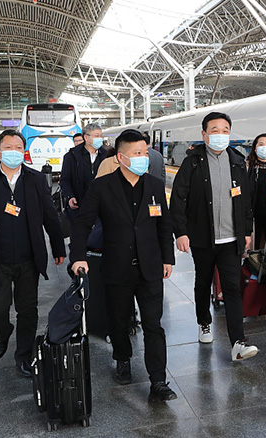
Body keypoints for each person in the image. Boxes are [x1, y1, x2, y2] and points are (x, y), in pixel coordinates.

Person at [69, 129, 177, 402]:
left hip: (150, 267)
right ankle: (123, 358)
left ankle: (158, 380)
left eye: (145, 153)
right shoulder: (102, 187)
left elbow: (164, 225)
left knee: (153, 324)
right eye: (137, 153)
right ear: (121, 157)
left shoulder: (154, 185)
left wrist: (168, 258)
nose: (143, 158)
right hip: (117, 266)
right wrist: (78, 256)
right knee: (118, 321)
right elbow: (82, 224)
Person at [0, 129, 66, 377]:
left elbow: (50, 216)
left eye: (18, 148)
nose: (13, 152)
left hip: (28, 259)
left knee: (28, 310)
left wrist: (58, 246)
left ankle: (24, 356)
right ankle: (3, 333)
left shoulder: (36, 180)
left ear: (24, 151)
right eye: (8, 148)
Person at [170, 111, 258, 361]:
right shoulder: (192, 162)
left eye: (225, 130)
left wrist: (247, 231)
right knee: (203, 281)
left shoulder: (237, 161)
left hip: (231, 239)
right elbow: (178, 199)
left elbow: (246, 201)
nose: (220, 135)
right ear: (204, 134)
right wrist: (181, 232)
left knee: (232, 288)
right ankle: (204, 322)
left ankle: (238, 342)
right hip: (202, 238)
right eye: (215, 130)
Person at [60, 123, 108, 222]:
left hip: (102, 206)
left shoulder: (106, 156)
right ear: (86, 137)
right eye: (96, 136)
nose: (100, 138)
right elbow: (65, 180)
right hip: (79, 206)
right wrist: (70, 196)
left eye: (101, 136)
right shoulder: (72, 156)